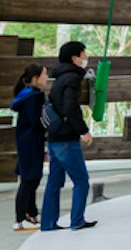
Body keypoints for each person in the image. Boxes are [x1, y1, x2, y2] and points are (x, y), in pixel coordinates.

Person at [42, 40, 97, 231]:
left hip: (55, 137)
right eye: (83, 54)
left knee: (54, 182)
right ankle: (77, 220)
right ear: (75, 58)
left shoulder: (60, 78)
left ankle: (48, 222)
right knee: (81, 180)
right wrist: (84, 131)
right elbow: (70, 108)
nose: (86, 57)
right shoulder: (72, 78)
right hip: (66, 138)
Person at [11, 62, 50, 231]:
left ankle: (31, 214)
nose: (47, 78)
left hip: (27, 141)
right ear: (35, 78)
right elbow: (37, 121)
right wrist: (50, 128)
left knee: (33, 179)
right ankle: (20, 218)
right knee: (28, 180)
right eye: (44, 74)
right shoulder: (34, 97)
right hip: (31, 142)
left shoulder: (27, 95)